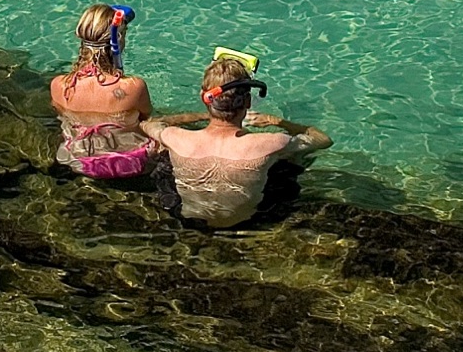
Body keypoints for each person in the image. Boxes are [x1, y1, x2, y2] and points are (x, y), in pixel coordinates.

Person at [142, 51, 332, 228]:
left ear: (204, 98)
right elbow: (322, 139)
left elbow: (148, 123)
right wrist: (277, 121)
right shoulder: (272, 142)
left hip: (189, 219)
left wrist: (200, 116)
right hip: (251, 220)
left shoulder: (175, 137)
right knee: (292, 160)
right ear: (248, 102)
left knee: (163, 154)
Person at [49, 4, 157, 179]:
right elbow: (146, 118)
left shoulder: (59, 85)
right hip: (131, 162)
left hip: (77, 162)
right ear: (119, 38)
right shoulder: (133, 87)